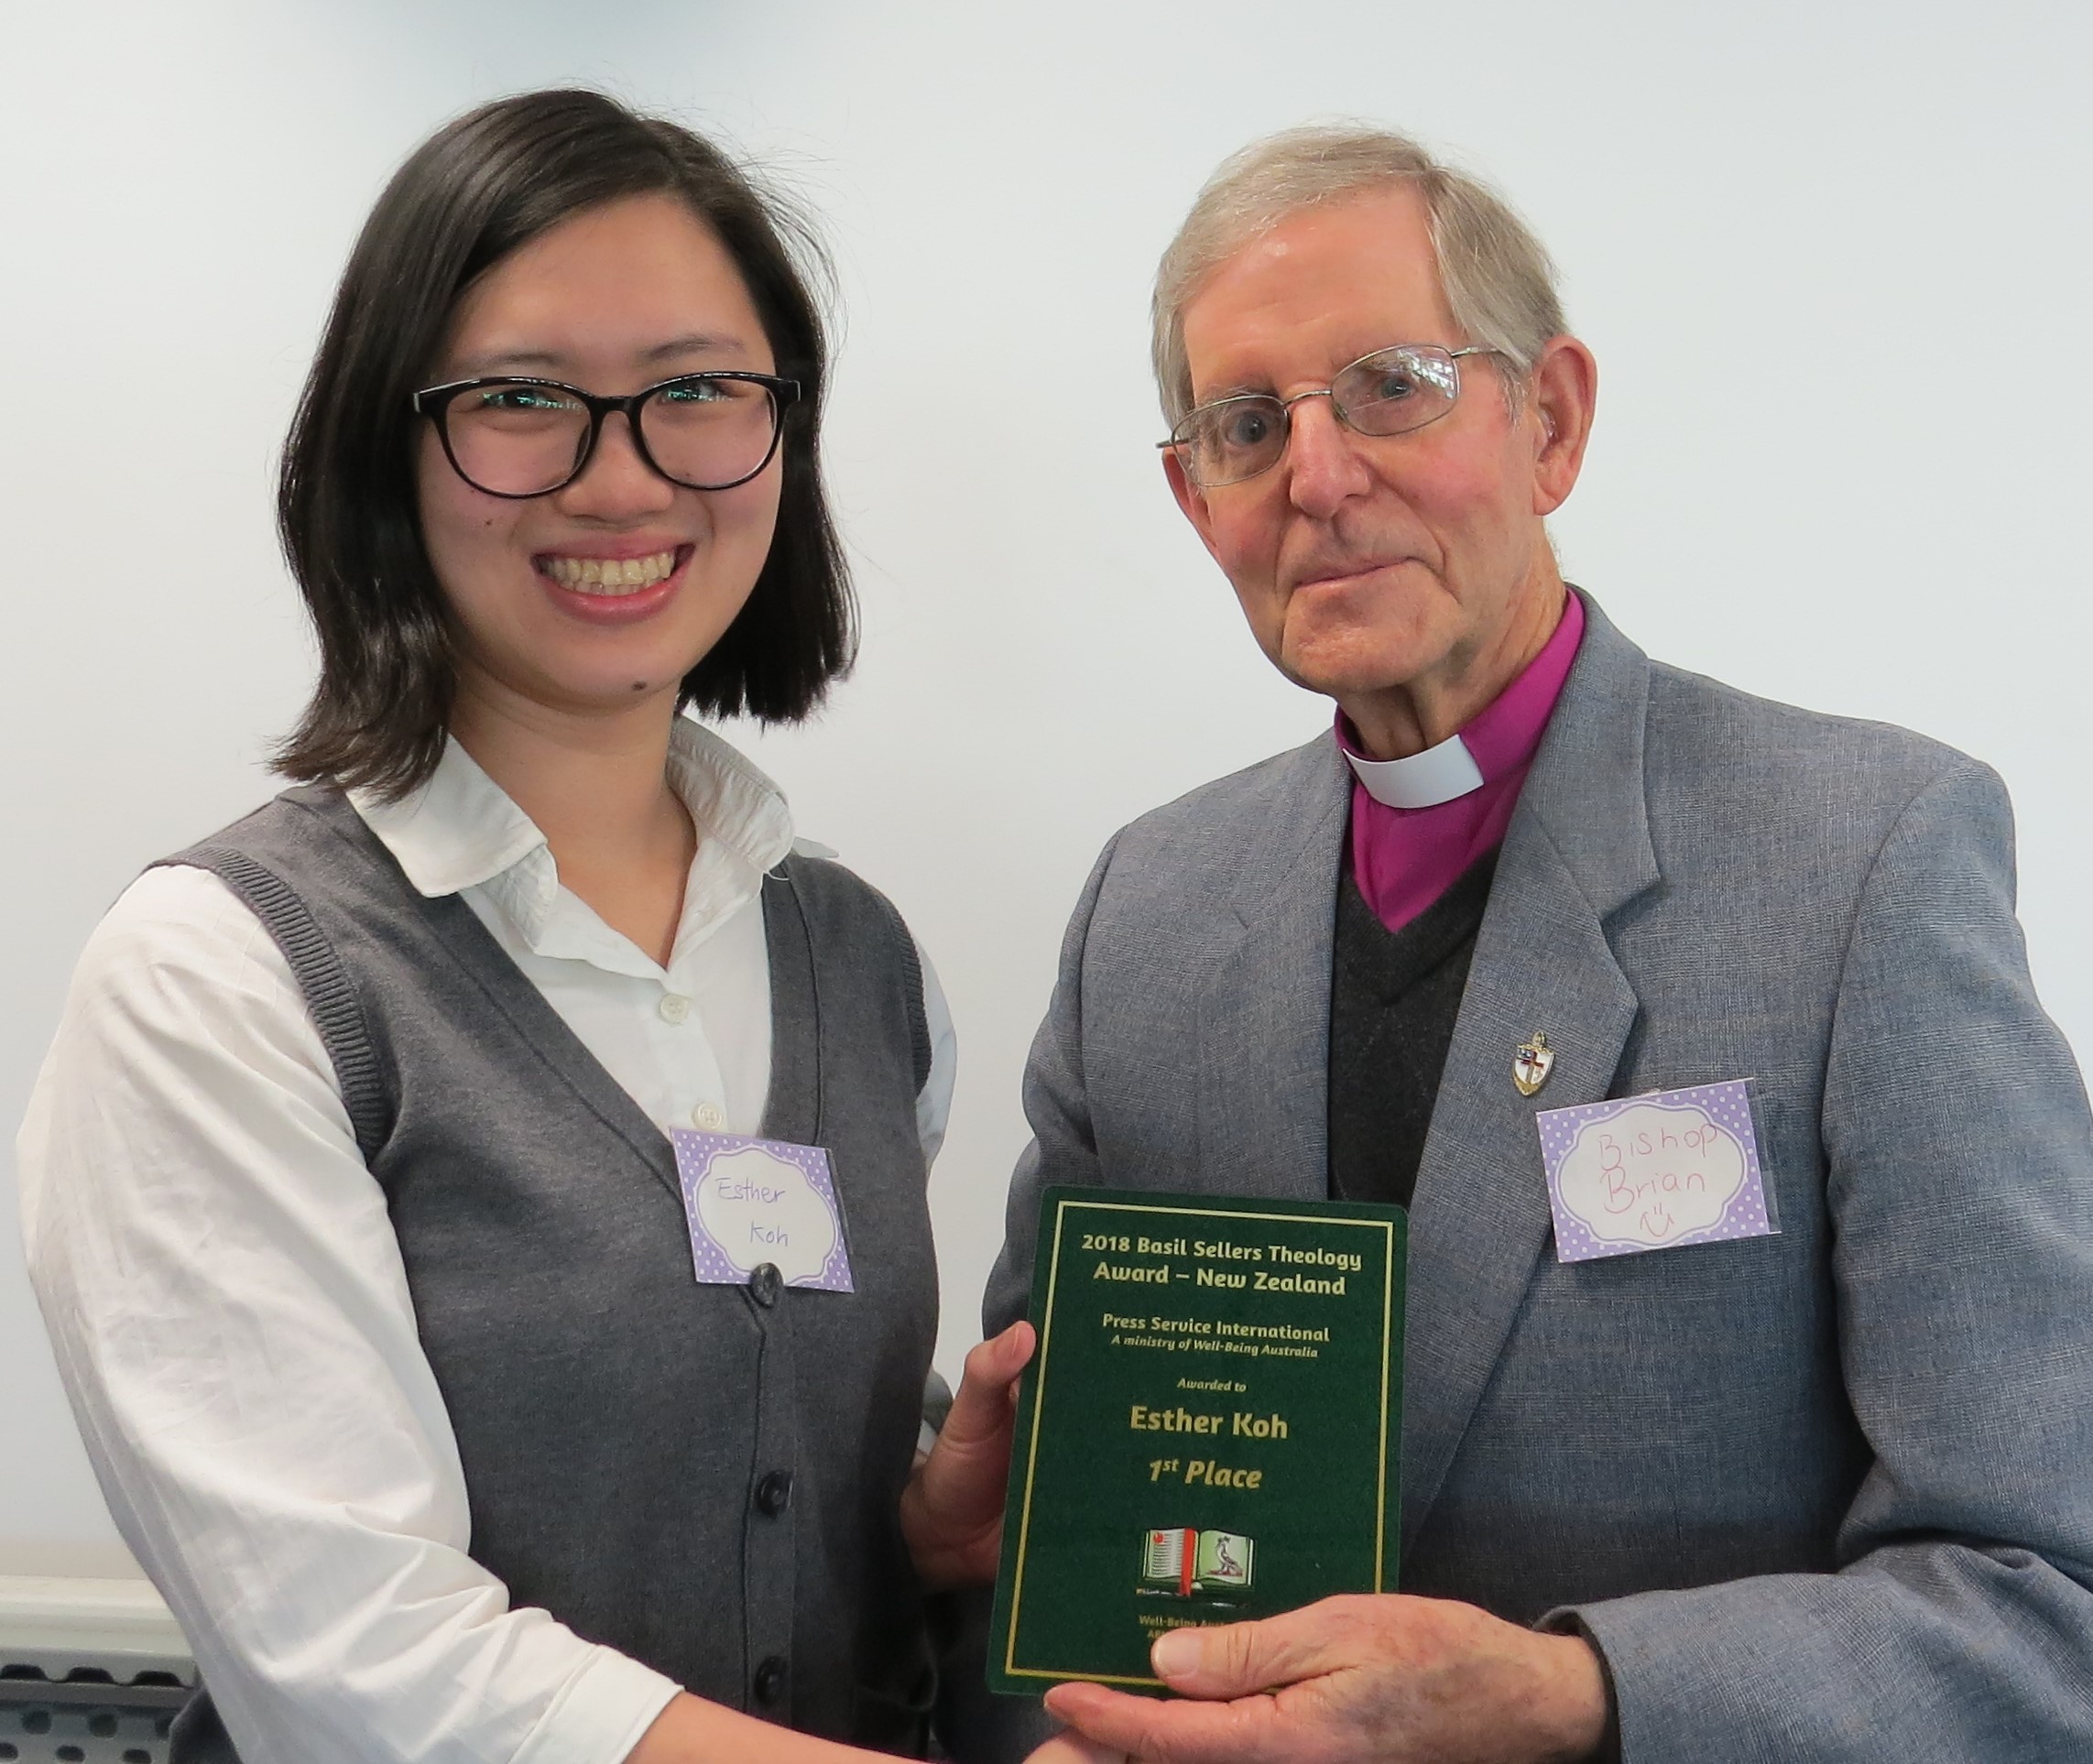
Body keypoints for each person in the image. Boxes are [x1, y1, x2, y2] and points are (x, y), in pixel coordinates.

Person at [986, 125, 2093, 1762]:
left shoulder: (1865, 858)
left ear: (1550, 419)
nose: (1318, 473)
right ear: (1191, 494)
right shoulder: (1145, 909)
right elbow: (1040, 1562)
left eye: (1390, 385)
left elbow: (2048, 1600)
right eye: (1245, 424)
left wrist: (1576, 1696)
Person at [16, 90, 1051, 1764]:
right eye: (521, 400)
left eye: (698, 391)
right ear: (385, 447)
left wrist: (919, 1513)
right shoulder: (219, 980)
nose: (622, 475)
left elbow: (734, 1450)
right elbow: (361, 1662)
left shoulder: (861, 961)